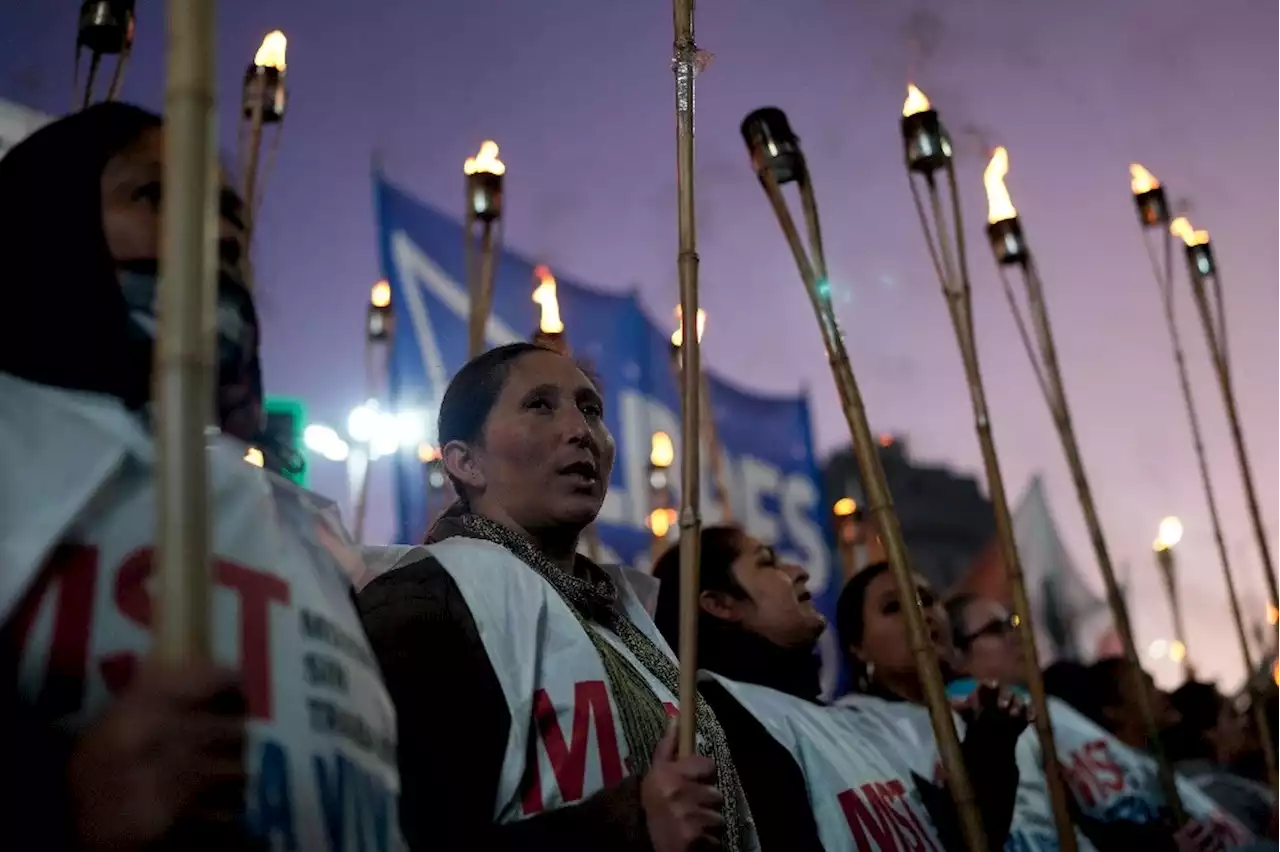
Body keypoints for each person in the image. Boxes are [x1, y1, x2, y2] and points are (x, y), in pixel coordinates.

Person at [0, 103, 404, 851]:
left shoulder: (297, 527)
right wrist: (58, 808)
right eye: (154, 196)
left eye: (231, 220)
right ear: (42, 223)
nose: (216, 237)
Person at [357, 342, 755, 852]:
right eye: (540, 405)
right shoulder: (423, 604)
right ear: (465, 463)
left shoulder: (632, 622)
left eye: (590, 410)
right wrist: (630, 825)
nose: (580, 432)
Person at [949, 595, 1252, 851]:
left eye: (1012, 623)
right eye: (996, 629)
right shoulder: (954, 721)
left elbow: (1090, 818)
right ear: (955, 655)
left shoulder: (1045, 709)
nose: (1015, 635)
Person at [650, 527, 826, 852]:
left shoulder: (819, 708)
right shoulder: (721, 726)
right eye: (768, 563)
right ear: (720, 604)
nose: (799, 572)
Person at [834, 561, 1030, 849]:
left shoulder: (981, 708)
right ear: (858, 646)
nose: (921, 614)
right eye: (893, 607)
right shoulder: (849, 727)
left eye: (927, 600)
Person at [1166, 681, 1275, 837]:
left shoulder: (1233, 777)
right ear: (1209, 732)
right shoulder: (1217, 793)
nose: (1244, 722)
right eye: (1232, 715)